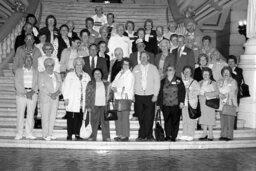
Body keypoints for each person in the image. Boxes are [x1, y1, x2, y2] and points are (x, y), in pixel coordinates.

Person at [133, 51, 160, 141]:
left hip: (150, 95)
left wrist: (156, 94)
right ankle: (141, 135)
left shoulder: (153, 68)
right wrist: (132, 94)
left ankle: (149, 135)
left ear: (148, 58)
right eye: (141, 57)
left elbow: (157, 82)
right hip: (138, 95)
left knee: (149, 116)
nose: (143, 58)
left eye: (145, 57)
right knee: (140, 116)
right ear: (140, 58)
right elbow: (132, 82)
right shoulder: (136, 68)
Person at [62, 57, 91, 140]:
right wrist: (66, 98)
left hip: (82, 101)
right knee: (71, 118)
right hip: (72, 100)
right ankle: (69, 134)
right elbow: (65, 87)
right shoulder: (70, 75)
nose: (79, 66)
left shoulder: (86, 76)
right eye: (77, 64)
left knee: (80, 117)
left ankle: (78, 133)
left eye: (80, 64)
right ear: (74, 65)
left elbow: (89, 89)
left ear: (83, 65)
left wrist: (89, 101)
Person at [157, 65, 185, 141]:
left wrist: (182, 101)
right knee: (167, 121)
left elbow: (182, 91)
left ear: (174, 71)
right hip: (165, 104)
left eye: (170, 69)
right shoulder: (162, 81)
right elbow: (159, 93)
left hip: (176, 104)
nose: (169, 71)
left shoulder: (178, 80)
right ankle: (168, 135)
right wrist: (158, 104)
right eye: (167, 70)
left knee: (175, 121)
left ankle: (173, 136)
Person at [14, 55, 38, 140]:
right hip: (21, 95)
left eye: (30, 60)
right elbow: (17, 83)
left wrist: (31, 92)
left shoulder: (35, 71)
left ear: (32, 61)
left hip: (32, 94)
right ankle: (19, 133)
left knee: (30, 114)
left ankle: (29, 133)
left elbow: (37, 83)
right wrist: (25, 93)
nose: (28, 61)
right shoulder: (18, 71)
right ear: (24, 61)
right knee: (20, 114)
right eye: (27, 60)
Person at [38, 58, 62, 141]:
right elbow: (41, 87)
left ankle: (50, 134)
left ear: (53, 66)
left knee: (52, 117)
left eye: (51, 65)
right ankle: (45, 134)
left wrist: (56, 93)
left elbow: (61, 87)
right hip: (46, 98)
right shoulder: (41, 74)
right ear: (45, 66)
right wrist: (51, 94)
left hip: (55, 98)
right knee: (45, 117)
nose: (50, 67)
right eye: (48, 65)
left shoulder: (57, 75)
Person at [111, 58, 135, 141]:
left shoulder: (130, 75)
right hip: (117, 97)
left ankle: (125, 135)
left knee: (124, 117)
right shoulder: (119, 73)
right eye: (124, 64)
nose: (125, 66)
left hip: (125, 98)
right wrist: (113, 87)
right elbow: (114, 82)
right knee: (118, 117)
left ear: (129, 66)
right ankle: (119, 134)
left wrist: (117, 89)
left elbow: (127, 88)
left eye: (127, 64)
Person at [85, 68, 111, 141]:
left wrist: (110, 94)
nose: (97, 75)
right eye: (95, 73)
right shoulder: (90, 83)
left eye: (99, 73)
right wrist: (88, 106)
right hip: (94, 105)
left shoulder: (106, 83)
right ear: (93, 75)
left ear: (101, 74)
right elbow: (87, 95)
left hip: (104, 106)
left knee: (105, 122)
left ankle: (106, 137)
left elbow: (110, 95)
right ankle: (92, 136)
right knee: (93, 122)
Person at [179, 66, 200, 141]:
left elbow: (198, 91)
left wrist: (190, 92)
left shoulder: (194, 82)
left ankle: (190, 134)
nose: (186, 73)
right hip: (184, 104)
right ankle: (185, 133)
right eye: (185, 71)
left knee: (191, 119)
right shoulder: (181, 81)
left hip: (191, 104)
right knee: (185, 120)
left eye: (188, 71)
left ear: (191, 73)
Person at [198, 67, 219, 141]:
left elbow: (217, 93)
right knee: (203, 118)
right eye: (204, 74)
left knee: (210, 118)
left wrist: (206, 93)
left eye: (207, 74)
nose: (205, 75)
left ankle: (210, 134)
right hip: (202, 103)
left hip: (210, 103)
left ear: (210, 75)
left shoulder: (213, 83)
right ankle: (204, 134)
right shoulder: (200, 82)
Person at [218, 66, 238, 141]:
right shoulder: (220, 81)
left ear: (230, 73)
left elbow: (232, 91)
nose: (225, 73)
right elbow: (217, 90)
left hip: (230, 103)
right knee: (223, 120)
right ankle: (223, 135)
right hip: (221, 104)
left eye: (227, 72)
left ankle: (229, 136)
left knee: (230, 121)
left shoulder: (233, 81)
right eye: (224, 72)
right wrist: (220, 94)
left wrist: (223, 94)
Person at [228, 55, 244, 129]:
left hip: (235, 93)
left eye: (232, 61)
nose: (230, 63)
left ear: (235, 63)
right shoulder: (226, 70)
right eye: (229, 61)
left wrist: (233, 73)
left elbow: (239, 80)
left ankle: (234, 126)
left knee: (235, 110)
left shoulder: (239, 70)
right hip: (227, 93)